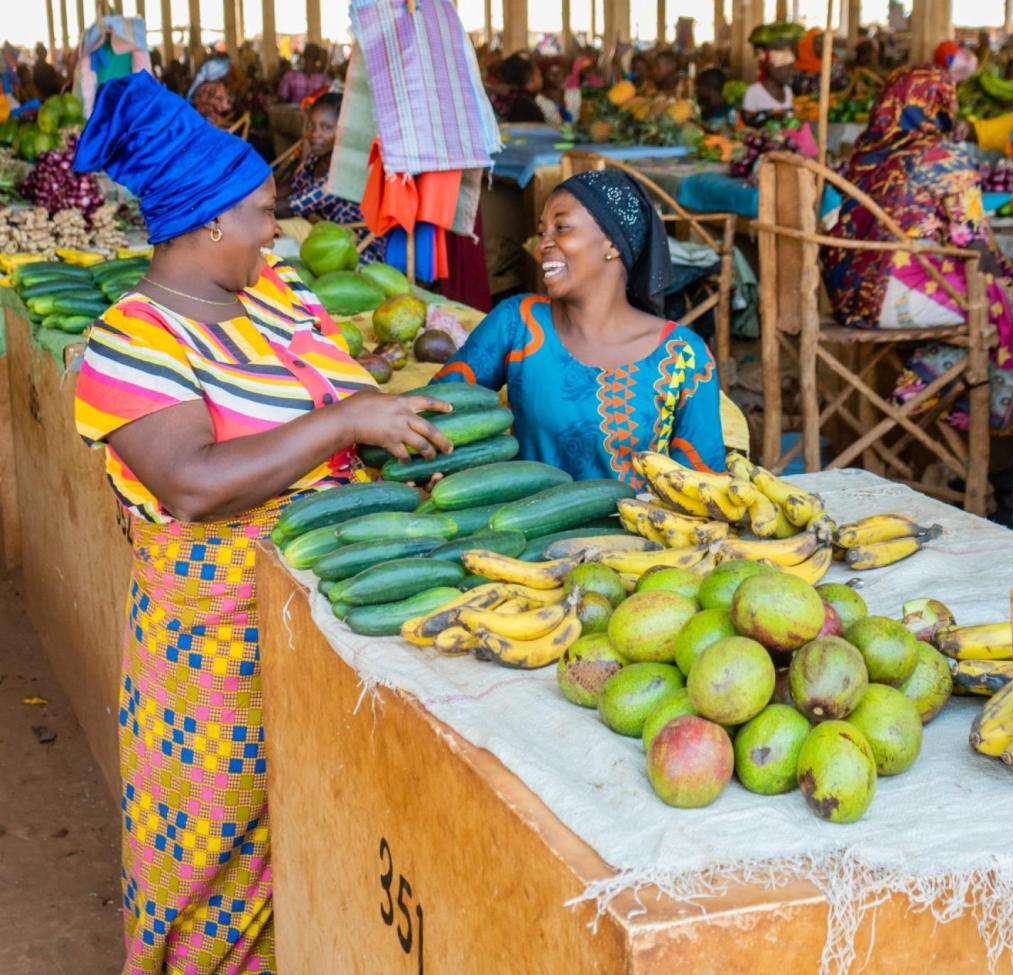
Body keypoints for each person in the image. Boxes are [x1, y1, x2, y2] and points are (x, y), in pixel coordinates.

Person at [70, 72, 452, 975]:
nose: (277, 228)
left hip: (327, 606)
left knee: (308, 836)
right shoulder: (132, 342)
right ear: (208, 225)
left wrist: (388, 401)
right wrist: (340, 424)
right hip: (215, 643)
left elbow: (344, 376)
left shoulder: (274, 293)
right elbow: (193, 482)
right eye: (263, 213)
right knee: (211, 851)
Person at [437, 170, 725, 483]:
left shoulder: (685, 358)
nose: (543, 244)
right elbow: (438, 407)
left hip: (640, 531)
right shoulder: (518, 322)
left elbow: (705, 486)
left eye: (561, 228)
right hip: (525, 525)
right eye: (542, 231)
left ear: (612, 243)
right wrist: (446, 466)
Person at [822, 66, 1013, 427]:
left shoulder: (865, 153)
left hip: (844, 296)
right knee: (1001, 305)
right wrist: (1009, 280)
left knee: (987, 301)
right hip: (894, 297)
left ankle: (914, 394)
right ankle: (955, 410)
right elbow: (973, 241)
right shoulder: (943, 159)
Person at [276, 93, 382, 263]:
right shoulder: (318, 157)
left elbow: (291, 206)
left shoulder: (345, 170)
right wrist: (254, 196)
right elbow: (294, 185)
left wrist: (248, 208)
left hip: (356, 252)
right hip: (326, 236)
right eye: (311, 125)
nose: (314, 134)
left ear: (343, 131)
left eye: (325, 127)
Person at [741, 47, 795, 123]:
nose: (792, 73)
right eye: (788, 69)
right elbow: (748, 122)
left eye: (793, 69)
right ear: (772, 68)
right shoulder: (754, 92)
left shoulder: (787, 90)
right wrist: (770, 116)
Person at [491, 53, 547, 123]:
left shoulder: (502, 99)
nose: (542, 79)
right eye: (539, 75)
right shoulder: (524, 104)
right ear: (532, 79)